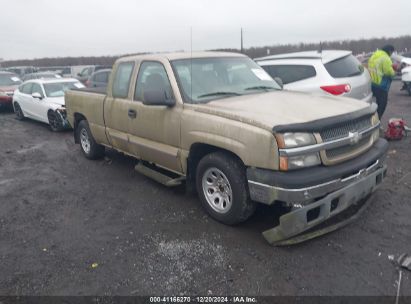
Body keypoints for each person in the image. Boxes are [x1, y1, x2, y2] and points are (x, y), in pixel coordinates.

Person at [368, 45, 396, 119]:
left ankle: (374, 118)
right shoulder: (386, 58)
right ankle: (377, 121)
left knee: (377, 103)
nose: (391, 54)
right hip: (381, 85)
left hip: (372, 83)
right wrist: (394, 72)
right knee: (382, 105)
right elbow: (389, 72)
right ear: (389, 51)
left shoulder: (374, 55)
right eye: (392, 52)